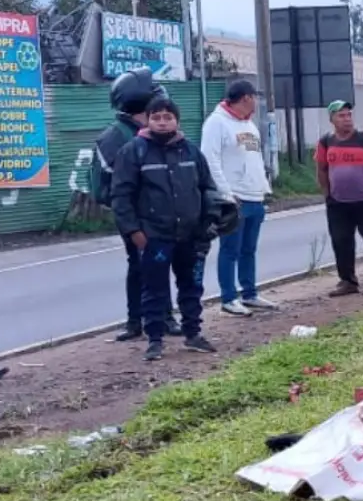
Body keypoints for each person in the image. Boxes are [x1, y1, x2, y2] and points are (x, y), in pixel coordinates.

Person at [110, 95, 219, 362]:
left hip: (190, 235)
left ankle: (193, 334)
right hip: (154, 237)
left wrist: (209, 221)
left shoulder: (191, 151)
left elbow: (207, 189)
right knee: (154, 290)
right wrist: (134, 232)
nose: (162, 122)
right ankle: (155, 341)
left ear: (176, 121)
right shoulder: (134, 151)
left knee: (191, 286)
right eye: (156, 117)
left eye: (167, 117)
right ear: (147, 120)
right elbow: (121, 196)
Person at [93, 67, 180, 341]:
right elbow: (111, 185)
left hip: (155, 214)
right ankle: (144, 320)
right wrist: (131, 216)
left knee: (153, 263)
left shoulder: (145, 133)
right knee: (144, 264)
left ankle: (153, 319)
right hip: (134, 215)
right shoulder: (117, 137)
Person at [199, 79, 278, 317]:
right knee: (230, 249)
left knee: (249, 249)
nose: (256, 102)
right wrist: (225, 193)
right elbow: (209, 160)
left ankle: (249, 292)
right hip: (234, 198)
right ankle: (228, 297)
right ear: (246, 98)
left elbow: (252, 159)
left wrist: (264, 188)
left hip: (255, 196)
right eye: (254, 97)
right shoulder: (216, 123)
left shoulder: (249, 125)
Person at [315, 100, 363, 296]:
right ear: (332, 119)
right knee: (341, 240)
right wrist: (326, 192)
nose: (347, 119)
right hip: (338, 201)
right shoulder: (326, 142)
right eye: (341, 116)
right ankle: (347, 281)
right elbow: (322, 168)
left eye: (349, 115)